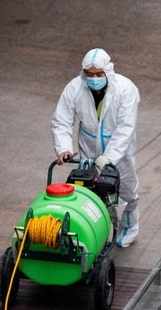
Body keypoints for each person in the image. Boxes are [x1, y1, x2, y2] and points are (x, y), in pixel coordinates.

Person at [51, 47, 141, 248]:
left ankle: (128, 228)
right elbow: (62, 120)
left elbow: (126, 127)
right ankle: (96, 232)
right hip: (88, 148)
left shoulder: (126, 89)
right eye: (89, 74)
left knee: (126, 192)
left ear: (108, 71)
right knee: (91, 193)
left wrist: (109, 157)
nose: (94, 78)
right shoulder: (74, 88)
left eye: (99, 74)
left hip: (119, 151)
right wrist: (63, 148)